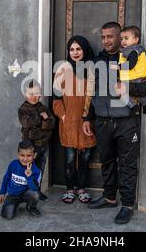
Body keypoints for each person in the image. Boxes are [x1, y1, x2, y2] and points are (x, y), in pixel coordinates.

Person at [83, 22, 146, 224]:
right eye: (103, 37)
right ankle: (109, 197)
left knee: (128, 165)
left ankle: (127, 205)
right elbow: (91, 91)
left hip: (126, 122)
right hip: (102, 122)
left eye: (110, 37)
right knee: (106, 161)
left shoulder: (131, 58)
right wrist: (87, 118)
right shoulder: (96, 61)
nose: (106, 40)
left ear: (120, 37)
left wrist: (128, 87)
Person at [53, 35, 96, 204]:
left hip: (87, 123)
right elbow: (56, 100)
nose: (75, 52)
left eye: (78, 49)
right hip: (69, 124)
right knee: (70, 159)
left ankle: (82, 188)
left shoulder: (92, 70)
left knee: (85, 160)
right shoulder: (63, 71)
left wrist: (89, 117)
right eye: (72, 49)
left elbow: (94, 98)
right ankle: (69, 189)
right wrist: (64, 116)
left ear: (84, 49)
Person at [18, 80, 55, 201]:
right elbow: (27, 122)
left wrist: (42, 123)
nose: (33, 96)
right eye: (30, 93)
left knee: (40, 169)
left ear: (40, 94)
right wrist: (40, 117)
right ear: (25, 94)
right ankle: (29, 193)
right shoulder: (23, 109)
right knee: (29, 170)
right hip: (30, 146)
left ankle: (37, 191)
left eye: (36, 93)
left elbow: (50, 123)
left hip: (43, 144)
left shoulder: (43, 107)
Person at [0, 140, 42, 219]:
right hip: (13, 195)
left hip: (26, 194)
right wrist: (2, 192)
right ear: (18, 155)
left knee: (35, 194)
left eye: (29, 156)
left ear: (34, 155)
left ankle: (30, 207)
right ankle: (13, 204)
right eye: (22, 155)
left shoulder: (36, 171)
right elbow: (6, 178)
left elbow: (34, 188)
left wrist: (29, 176)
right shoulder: (13, 164)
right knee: (7, 216)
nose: (25, 159)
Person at [115, 25, 146, 114]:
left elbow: (130, 65)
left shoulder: (133, 51)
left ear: (135, 40)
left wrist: (118, 66)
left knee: (119, 92)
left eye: (126, 38)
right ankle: (145, 106)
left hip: (134, 76)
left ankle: (133, 106)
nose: (123, 41)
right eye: (121, 39)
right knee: (137, 94)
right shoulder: (132, 50)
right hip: (136, 76)